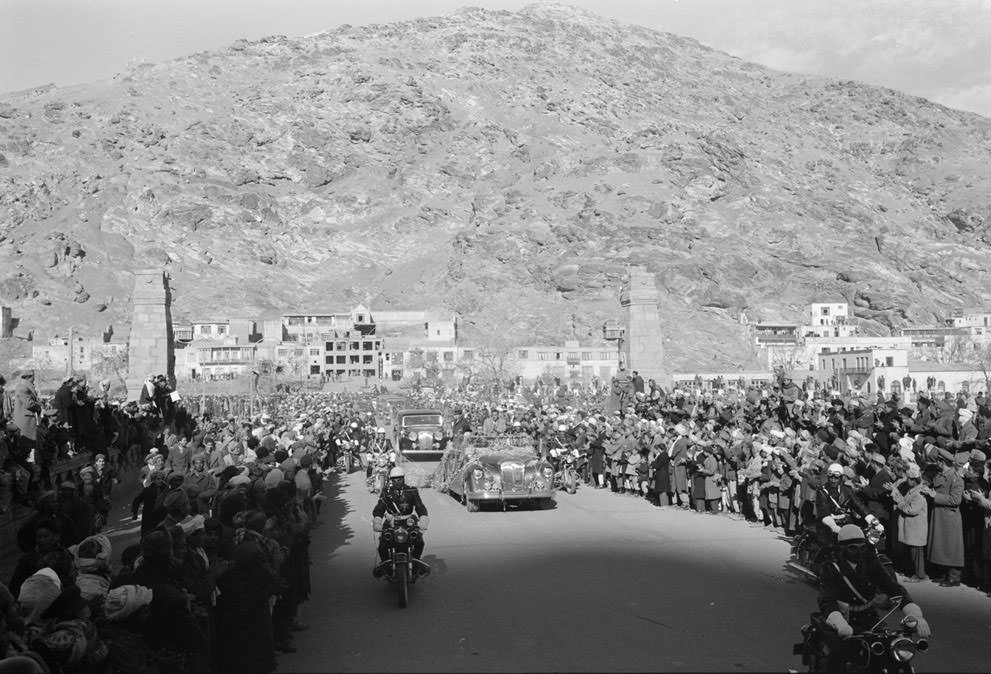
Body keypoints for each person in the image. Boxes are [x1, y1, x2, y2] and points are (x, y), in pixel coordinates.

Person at [816, 524, 931, 671]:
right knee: (838, 659)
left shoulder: (870, 563)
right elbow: (827, 600)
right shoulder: (831, 568)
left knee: (890, 655)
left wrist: (916, 615)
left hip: (869, 618)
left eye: (862, 547)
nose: (859, 552)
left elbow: (893, 588)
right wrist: (839, 623)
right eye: (853, 547)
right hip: (842, 619)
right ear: (843, 549)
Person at [372, 467, 430, 578]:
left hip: (409, 521)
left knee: (419, 541)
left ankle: (415, 563)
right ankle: (386, 566)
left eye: (399, 479)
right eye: (394, 479)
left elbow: (419, 506)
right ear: (390, 480)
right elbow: (379, 508)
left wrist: (423, 518)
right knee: (383, 544)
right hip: (391, 522)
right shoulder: (386, 492)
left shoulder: (412, 490)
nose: (397, 481)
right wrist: (377, 520)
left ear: (403, 479)